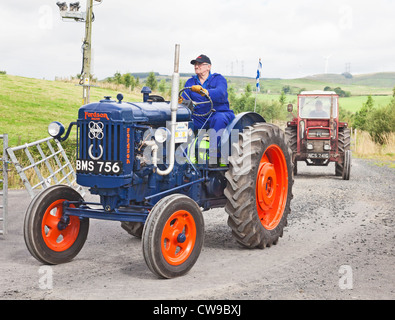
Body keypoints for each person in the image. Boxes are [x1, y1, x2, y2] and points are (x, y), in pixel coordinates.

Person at [181, 54, 235, 133]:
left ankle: (214, 145)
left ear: (209, 67)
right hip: (198, 116)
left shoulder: (218, 78)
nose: (196, 66)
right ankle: (181, 144)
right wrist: (181, 102)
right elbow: (185, 98)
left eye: (199, 64)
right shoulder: (190, 82)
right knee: (182, 120)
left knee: (219, 119)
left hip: (217, 113)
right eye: (195, 64)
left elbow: (221, 92)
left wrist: (206, 92)